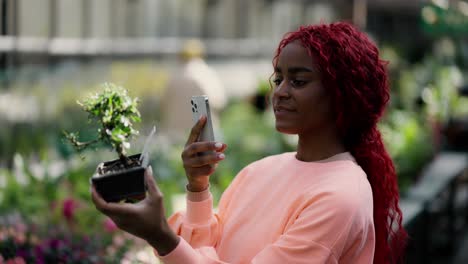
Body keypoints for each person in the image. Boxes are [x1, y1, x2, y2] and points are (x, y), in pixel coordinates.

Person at [91, 22, 407, 263]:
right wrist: (198, 187)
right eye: (278, 78)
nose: (280, 92)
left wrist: (160, 235)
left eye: (298, 81)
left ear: (343, 94)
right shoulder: (262, 170)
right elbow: (208, 247)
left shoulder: (341, 198)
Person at [160, 38, 227, 142]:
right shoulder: (207, 74)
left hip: (175, 135)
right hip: (203, 135)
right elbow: (219, 101)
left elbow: (163, 105)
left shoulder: (174, 77)